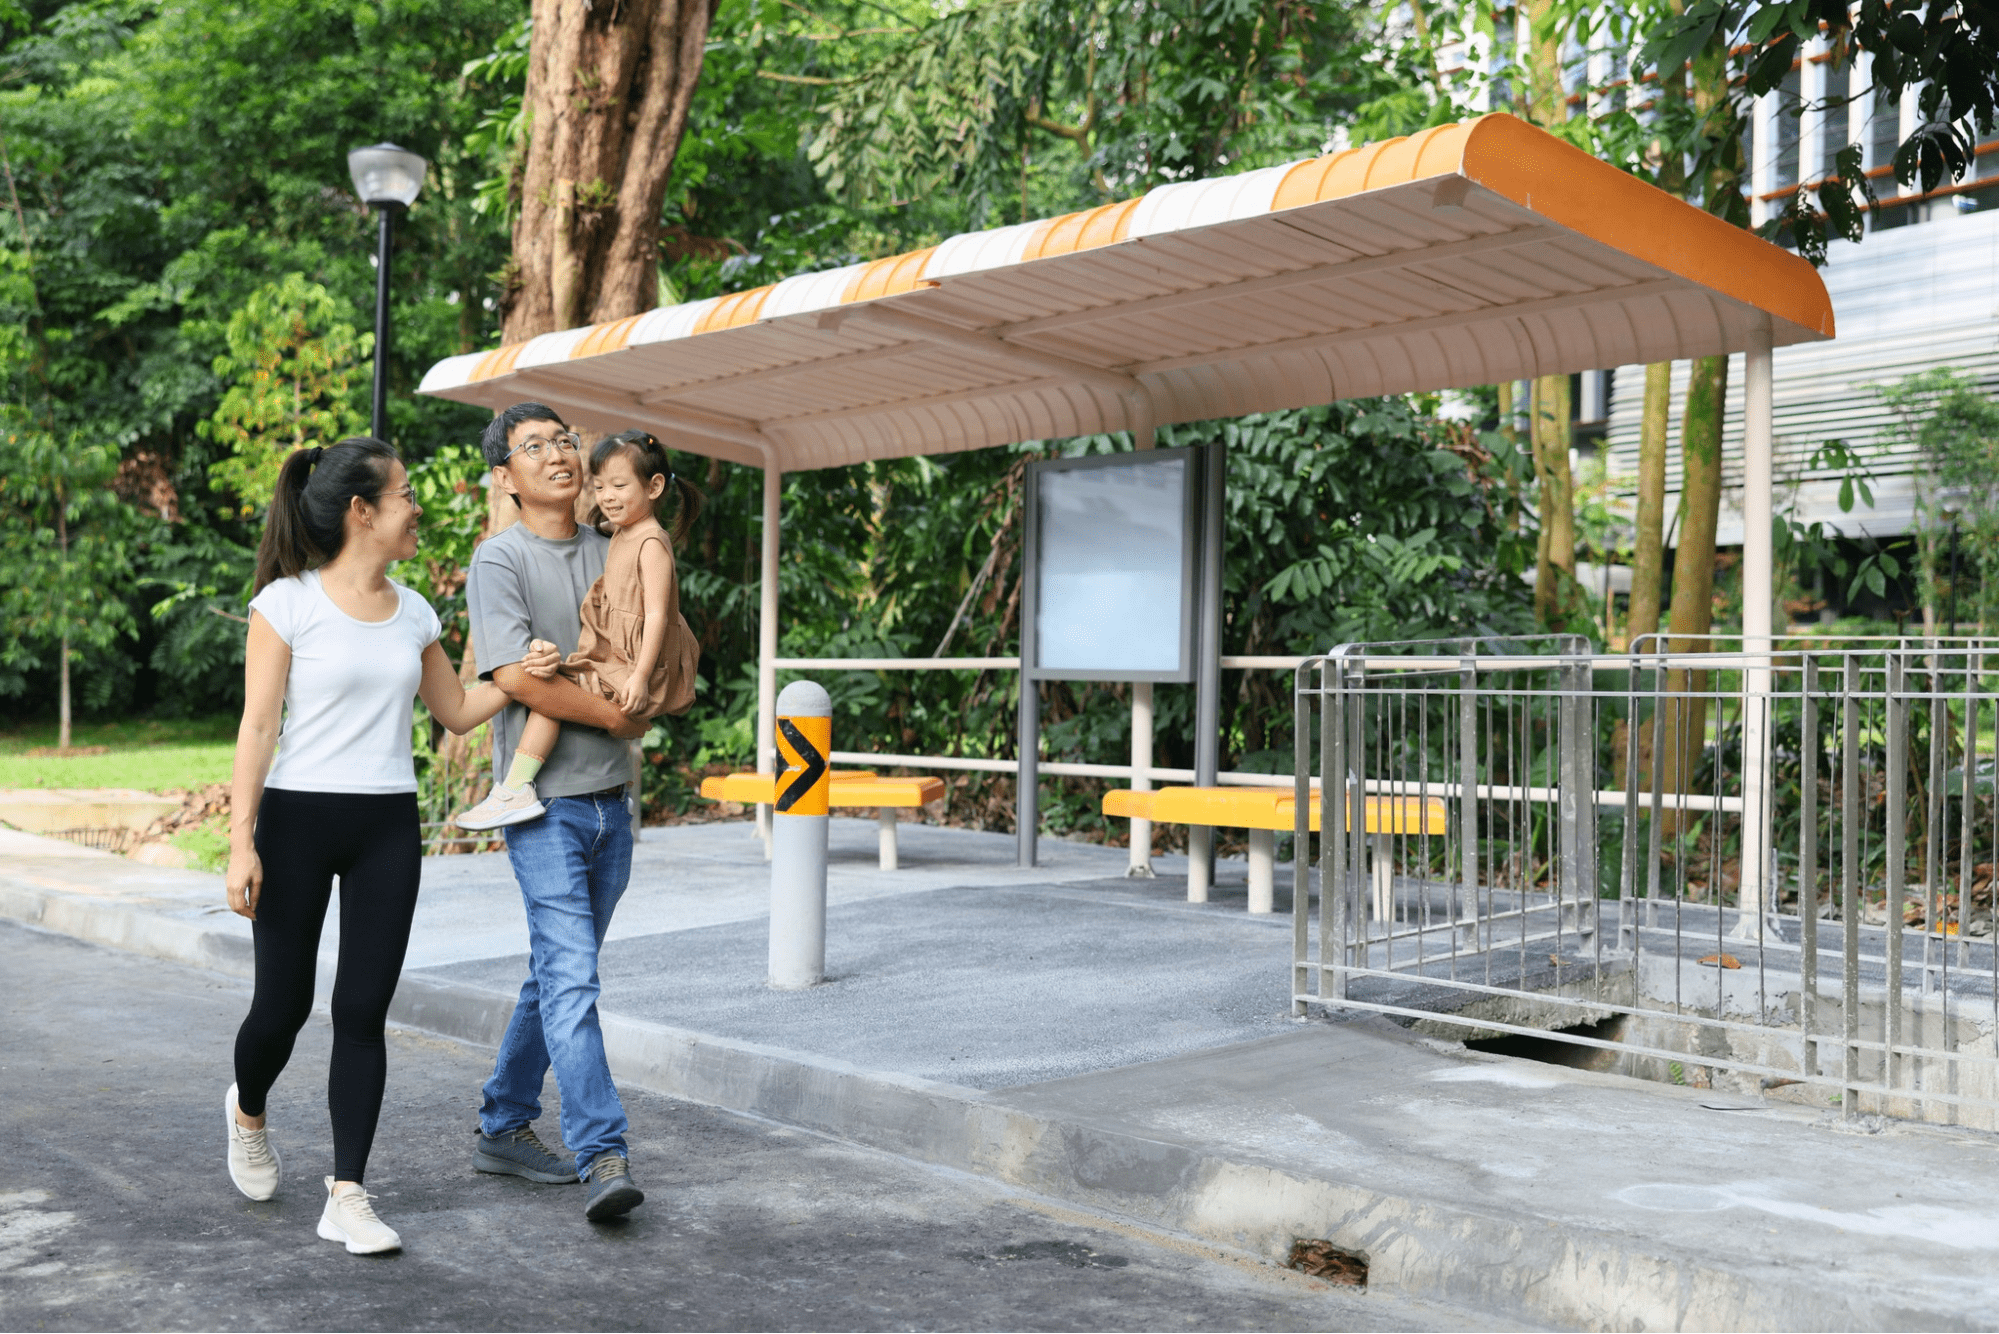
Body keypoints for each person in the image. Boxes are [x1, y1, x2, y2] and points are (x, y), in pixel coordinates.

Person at [223, 437, 555, 1255]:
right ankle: (247, 1109)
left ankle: (347, 1194)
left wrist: (520, 674)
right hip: (297, 821)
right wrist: (241, 842)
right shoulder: (287, 603)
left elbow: (455, 710)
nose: (419, 507)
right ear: (360, 511)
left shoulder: (413, 611)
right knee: (283, 1006)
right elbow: (258, 727)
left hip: (384, 826)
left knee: (363, 1011)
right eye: (405, 494)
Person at [463, 403, 653, 1222]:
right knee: (572, 977)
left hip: (613, 802)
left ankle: (503, 1123)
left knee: (554, 976)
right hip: (542, 809)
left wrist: (634, 691)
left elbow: (643, 653)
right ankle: (601, 1151)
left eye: (564, 440)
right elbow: (517, 682)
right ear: (504, 478)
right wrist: (613, 713)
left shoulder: (617, 546)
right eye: (533, 447)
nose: (558, 455)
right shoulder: (498, 559)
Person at [454, 429, 701, 831]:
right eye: (601, 486)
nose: (606, 496)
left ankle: (515, 787)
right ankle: (515, 787)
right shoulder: (615, 535)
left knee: (553, 692)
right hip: (614, 663)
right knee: (552, 682)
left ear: (655, 487)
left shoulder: (651, 541)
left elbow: (657, 614)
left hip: (631, 667)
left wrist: (639, 677)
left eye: (620, 486)